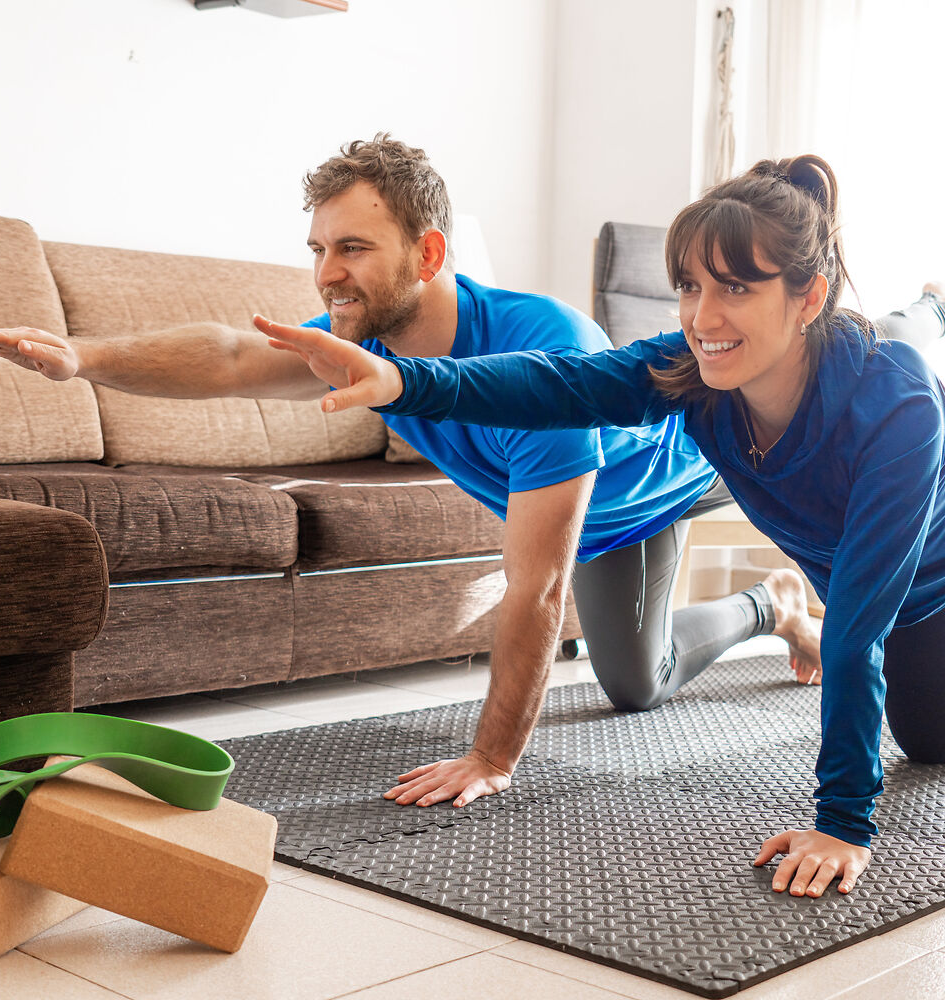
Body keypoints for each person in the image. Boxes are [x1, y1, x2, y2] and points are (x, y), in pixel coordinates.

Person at [0, 136, 822, 814]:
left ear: (428, 254)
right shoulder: (364, 344)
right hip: (582, 510)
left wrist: (491, 758)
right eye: (318, 247)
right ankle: (773, 604)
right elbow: (231, 357)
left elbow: (536, 586)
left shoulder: (542, 343)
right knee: (637, 684)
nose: (327, 273)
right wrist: (84, 357)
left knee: (638, 680)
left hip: (668, 481)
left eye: (354, 248)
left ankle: (780, 600)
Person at [251, 154, 945, 899]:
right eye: (690, 287)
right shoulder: (696, 372)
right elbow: (561, 384)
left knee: (929, 743)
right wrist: (401, 379)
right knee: (923, 741)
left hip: (925, 592)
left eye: (736, 288)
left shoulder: (898, 407)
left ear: (806, 295)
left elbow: (855, 632)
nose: (703, 318)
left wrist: (842, 824)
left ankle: (929, 307)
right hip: (850, 571)